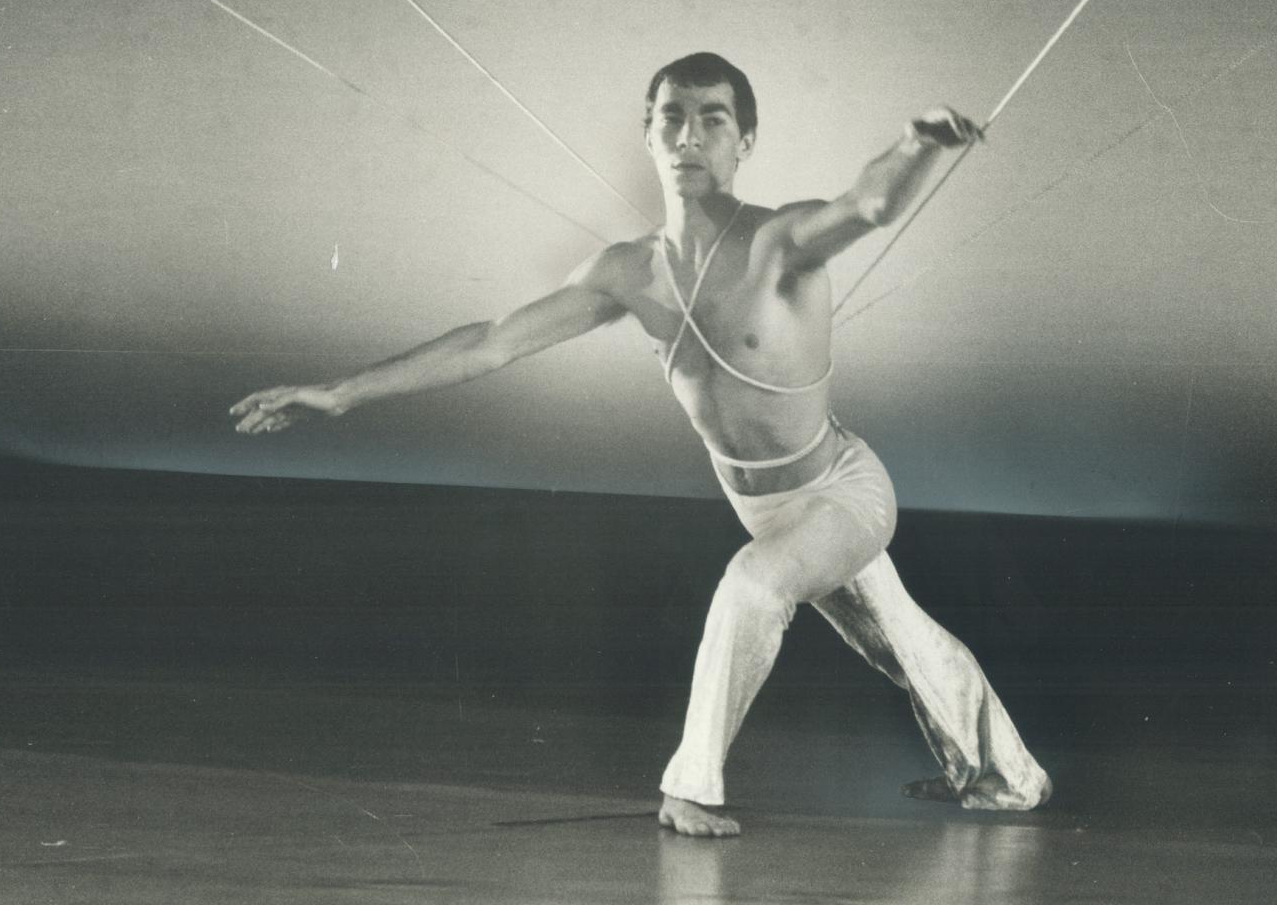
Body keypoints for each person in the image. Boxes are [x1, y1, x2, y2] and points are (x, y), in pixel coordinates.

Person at [230, 52, 1053, 837]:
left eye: (713, 120)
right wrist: (339, 393)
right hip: (762, 503)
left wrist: (918, 142)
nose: (689, 136)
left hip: (843, 491)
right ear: (649, 134)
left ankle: (689, 788)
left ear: (746, 141)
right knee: (900, 636)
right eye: (672, 118)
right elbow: (491, 341)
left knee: (751, 588)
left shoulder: (779, 244)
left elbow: (865, 207)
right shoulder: (628, 272)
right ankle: (1009, 777)